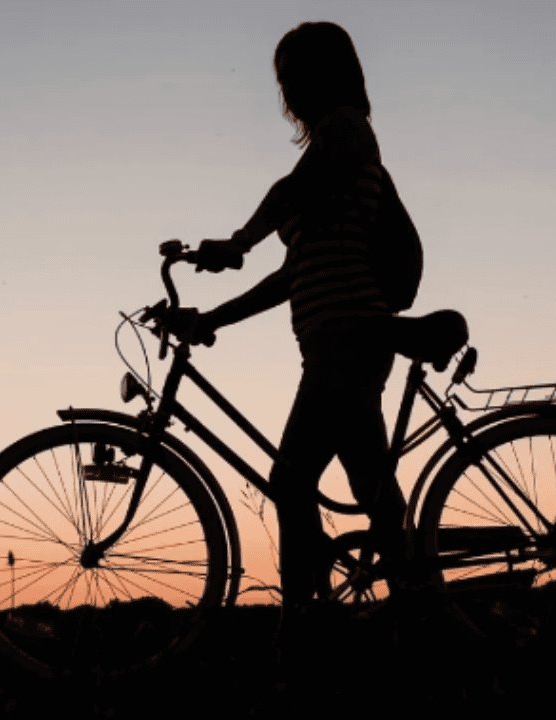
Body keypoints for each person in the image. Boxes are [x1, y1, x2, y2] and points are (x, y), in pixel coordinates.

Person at [181, 21, 412, 640]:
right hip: (340, 340)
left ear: (324, 74)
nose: (286, 90)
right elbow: (291, 277)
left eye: (294, 75)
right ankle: (422, 615)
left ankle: (304, 629)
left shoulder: (345, 134)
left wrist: (238, 241)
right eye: (282, 78)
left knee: (291, 480)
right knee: (369, 482)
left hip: (349, 335)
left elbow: (289, 190)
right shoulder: (331, 159)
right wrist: (213, 319)